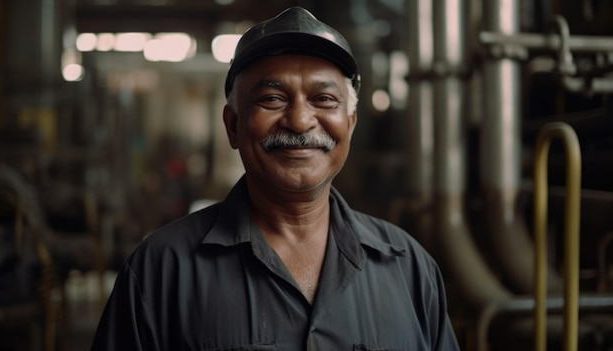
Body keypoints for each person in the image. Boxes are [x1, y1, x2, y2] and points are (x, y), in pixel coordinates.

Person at [90, 6, 460, 351]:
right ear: (233, 126)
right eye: (271, 99)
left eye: (324, 99)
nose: (299, 121)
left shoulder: (409, 268)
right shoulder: (160, 271)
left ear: (350, 124)